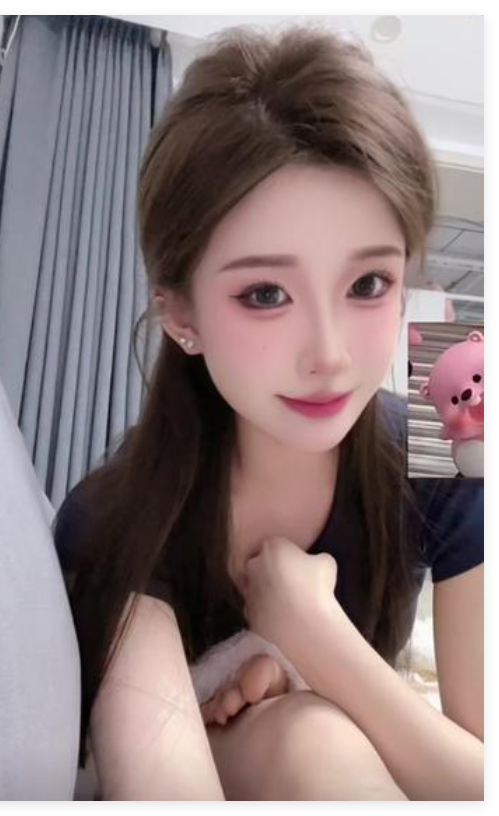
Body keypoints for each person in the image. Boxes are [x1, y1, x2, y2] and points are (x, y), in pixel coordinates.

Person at [54, 25, 484, 800]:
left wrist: (314, 635)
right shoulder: (116, 517)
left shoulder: (442, 430)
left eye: (368, 285)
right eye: (264, 294)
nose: (329, 355)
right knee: (310, 737)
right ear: (180, 312)